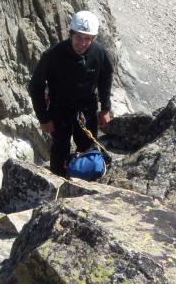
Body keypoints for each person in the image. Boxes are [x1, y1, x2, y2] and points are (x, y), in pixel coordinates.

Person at [29, 10, 113, 176]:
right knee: (60, 150)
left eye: (87, 39)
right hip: (59, 111)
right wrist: (44, 119)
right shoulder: (53, 55)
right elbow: (36, 87)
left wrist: (105, 109)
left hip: (86, 111)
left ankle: (85, 184)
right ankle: (57, 184)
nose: (82, 43)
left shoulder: (99, 53)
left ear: (93, 39)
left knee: (87, 149)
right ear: (71, 34)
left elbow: (105, 79)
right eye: (78, 37)